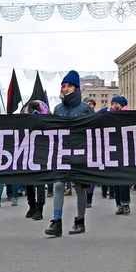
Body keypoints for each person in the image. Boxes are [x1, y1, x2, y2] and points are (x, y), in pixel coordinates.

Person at [45, 71, 94, 237]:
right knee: (58, 185)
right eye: (64, 86)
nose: (65, 89)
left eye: (69, 86)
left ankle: (80, 221)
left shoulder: (85, 108)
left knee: (80, 186)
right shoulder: (58, 109)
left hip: (80, 153)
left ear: (77, 88)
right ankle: (56, 222)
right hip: (62, 153)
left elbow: (95, 130)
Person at [24, 100, 50, 220]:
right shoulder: (26, 120)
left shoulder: (46, 119)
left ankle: (38, 208)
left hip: (40, 153)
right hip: (28, 154)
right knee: (29, 181)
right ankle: (32, 206)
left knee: (39, 182)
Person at [109, 95, 132, 215]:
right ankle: (118, 204)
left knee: (123, 180)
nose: (114, 106)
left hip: (125, 150)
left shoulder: (127, 116)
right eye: (112, 103)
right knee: (115, 181)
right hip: (112, 150)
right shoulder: (110, 116)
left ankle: (125, 203)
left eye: (116, 103)